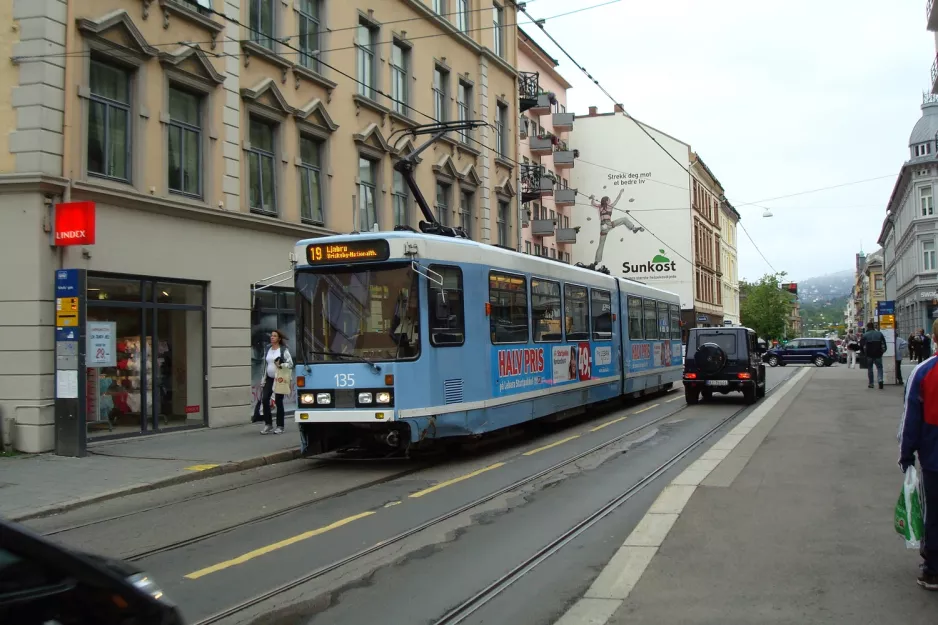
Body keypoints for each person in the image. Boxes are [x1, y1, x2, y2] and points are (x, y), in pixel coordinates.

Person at [898, 317, 938, 590]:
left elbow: (911, 418)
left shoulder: (924, 372)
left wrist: (906, 454)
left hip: (935, 457)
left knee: (934, 513)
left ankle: (934, 571)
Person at [589, 189, 644, 266]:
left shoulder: (599, 206)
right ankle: (633, 228)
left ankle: (597, 261)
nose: (610, 201)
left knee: (601, 244)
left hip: (603, 227)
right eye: (609, 200)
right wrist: (620, 193)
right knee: (624, 219)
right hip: (608, 224)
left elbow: (593, 203)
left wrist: (592, 198)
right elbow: (617, 200)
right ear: (607, 201)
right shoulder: (610, 206)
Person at [260, 329, 293, 435]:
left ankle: (280, 426)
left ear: (279, 339)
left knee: (278, 402)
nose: (272, 337)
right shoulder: (268, 348)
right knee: (265, 399)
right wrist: (263, 378)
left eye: (274, 336)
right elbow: (265, 364)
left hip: (279, 379)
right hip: (269, 378)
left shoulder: (283, 350)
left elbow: (290, 363)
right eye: (271, 336)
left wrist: (281, 365)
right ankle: (268, 424)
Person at [860, 320, 887, 390]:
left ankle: (871, 383)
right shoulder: (879, 334)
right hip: (878, 353)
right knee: (880, 368)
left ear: (867, 327)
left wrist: (863, 353)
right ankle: (880, 380)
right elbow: (884, 345)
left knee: (870, 368)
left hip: (869, 354)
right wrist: (882, 352)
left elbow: (861, 345)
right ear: (873, 327)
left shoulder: (865, 335)